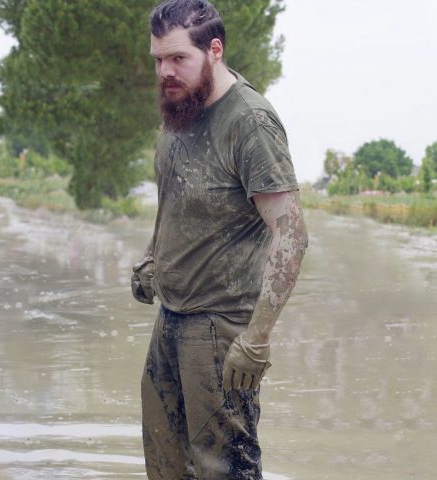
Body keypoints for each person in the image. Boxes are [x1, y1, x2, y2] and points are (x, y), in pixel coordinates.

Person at [131, 1, 308, 478]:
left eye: (177, 59)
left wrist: (258, 338)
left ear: (214, 50)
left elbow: (291, 236)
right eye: (158, 60)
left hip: (223, 326)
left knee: (225, 469)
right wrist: (152, 257)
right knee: (164, 462)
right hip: (171, 316)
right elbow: (176, 196)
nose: (165, 72)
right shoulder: (178, 108)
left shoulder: (249, 123)